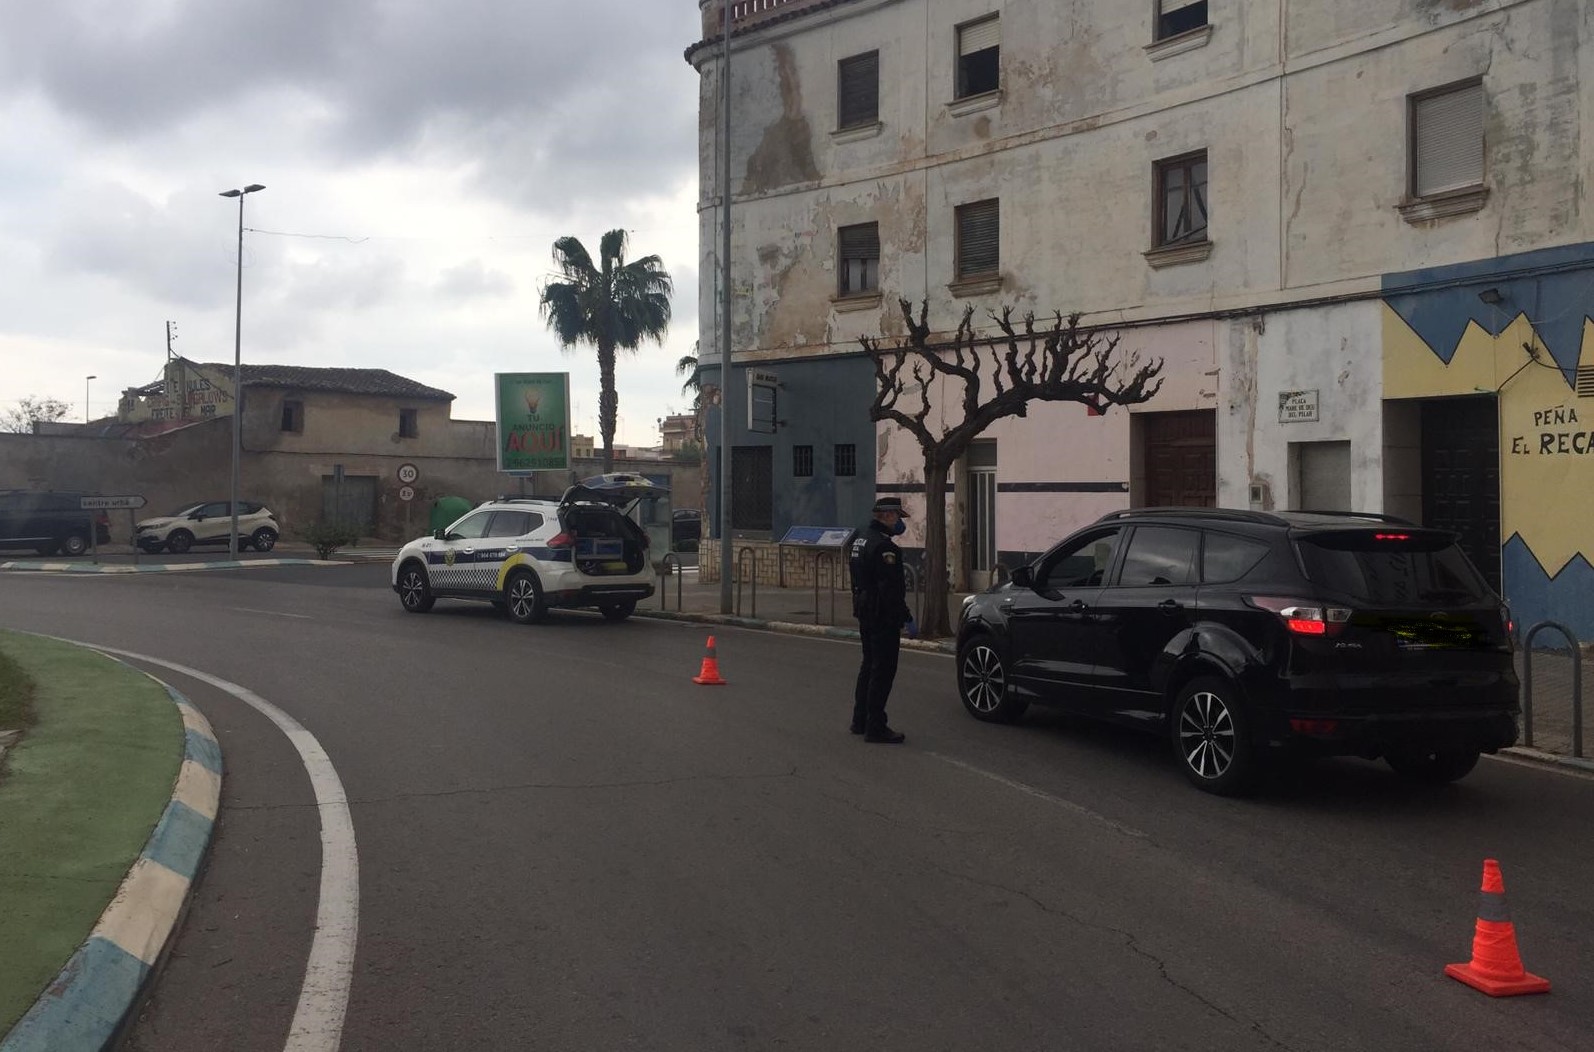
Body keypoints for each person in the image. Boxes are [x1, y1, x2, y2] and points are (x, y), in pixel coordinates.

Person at [848, 497, 917, 744]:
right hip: (881, 614)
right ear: (887, 516)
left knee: (869, 665)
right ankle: (876, 726)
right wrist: (906, 617)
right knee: (883, 670)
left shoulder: (860, 539)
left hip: (864, 609)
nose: (899, 523)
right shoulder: (885, 548)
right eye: (897, 517)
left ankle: (860, 719)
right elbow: (891, 590)